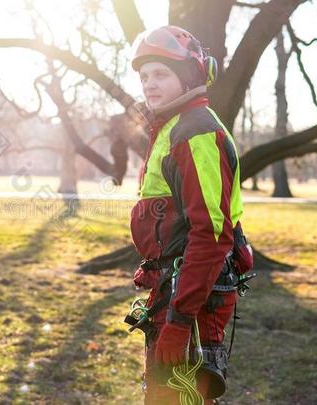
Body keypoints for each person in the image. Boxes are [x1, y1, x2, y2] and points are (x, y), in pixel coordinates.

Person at [128, 26, 253, 404]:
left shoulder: (196, 131)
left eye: (161, 74)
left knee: (177, 399)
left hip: (194, 301)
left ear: (188, 75)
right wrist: (157, 263)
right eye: (145, 75)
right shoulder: (173, 127)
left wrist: (180, 321)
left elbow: (211, 234)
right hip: (179, 286)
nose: (149, 84)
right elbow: (178, 218)